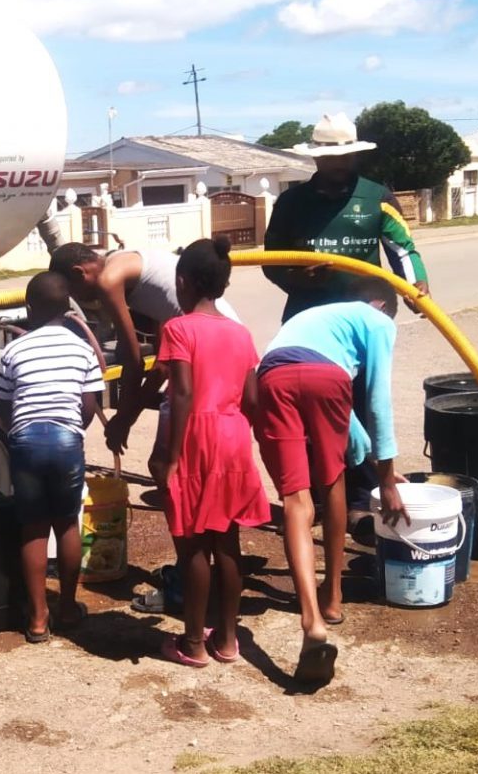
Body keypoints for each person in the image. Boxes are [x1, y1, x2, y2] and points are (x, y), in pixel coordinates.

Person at [49, 243, 241, 612]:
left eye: (76, 292)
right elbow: (162, 364)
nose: (82, 300)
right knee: (188, 465)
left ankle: (188, 574)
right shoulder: (128, 262)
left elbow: (133, 357)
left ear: (80, 273)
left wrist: (123, 418)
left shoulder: (107, 279)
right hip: (222, 336)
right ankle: (200, 565)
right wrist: (130, 412)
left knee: (164, 467)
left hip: (207, 344)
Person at [262, 113, 429, 528]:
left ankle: (357, 498)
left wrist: (416, 286)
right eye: (330, 157)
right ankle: (316, 498)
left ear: (355, 155)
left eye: (345, 156)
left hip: (362, 324)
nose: (339, 164)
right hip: (308, 322)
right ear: (316, 158)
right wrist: (296, 276)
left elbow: (403, 248)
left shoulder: (377, 197)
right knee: (306, 415)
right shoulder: (291, 203)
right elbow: (269, 260)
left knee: (360, 405)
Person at [255, 275, 410, 683]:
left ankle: (312, 623)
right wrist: (387, 482)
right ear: (380, 306)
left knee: (296, 501)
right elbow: (377, 400)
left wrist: (380, 463)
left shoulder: (319, 320)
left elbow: (352, 429)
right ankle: (334, 598)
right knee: (333, 483)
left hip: (272, 377)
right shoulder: (377, 321)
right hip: (325, 379)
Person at [152, 237, 272, 667]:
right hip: (234, 436)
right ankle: (226, 639)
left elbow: (181, 393)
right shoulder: (240, 333)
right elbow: (254, 398)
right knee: (228, 542)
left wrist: (171, 456)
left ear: (182, 282)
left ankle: (192, 643)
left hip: (197, 437)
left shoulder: (178, 329)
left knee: (192, 547)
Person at [0, 272, 104, 643]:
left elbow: (3, 405)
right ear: (68, 308)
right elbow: (89, 406)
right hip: (65, 441)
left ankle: (38, 618)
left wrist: (21, 432)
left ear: (28, 307)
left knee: (33, 527)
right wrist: (72, 431)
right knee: (67, 524)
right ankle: (68, 608)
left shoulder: (15, 350)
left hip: (25, 441)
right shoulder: (82, 349)